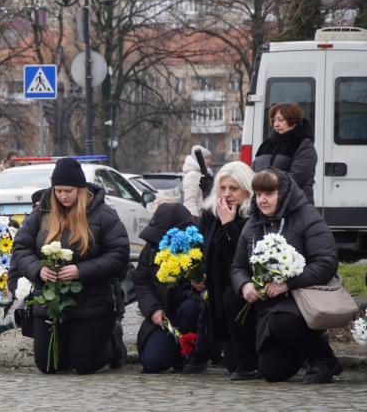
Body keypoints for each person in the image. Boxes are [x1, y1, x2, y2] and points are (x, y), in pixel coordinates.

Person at [10, 158, 130, 374]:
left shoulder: (103, 214)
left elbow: (119, 253)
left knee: (83, 365)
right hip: (50, 302)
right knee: (48, 365)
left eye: (68, 191)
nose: (63, 196)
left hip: (91, 302)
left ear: (80, 189)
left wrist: (80, 271)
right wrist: (38, 270)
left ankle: (113, 340)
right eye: (58, 191)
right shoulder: (42, 212)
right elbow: (21, 246)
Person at [230, 167, 341, 384]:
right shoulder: (253, 223)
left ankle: (323, 358)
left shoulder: (307, 216)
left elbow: (326, 262)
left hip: (300, 298)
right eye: (258, 194)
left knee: (282, 321)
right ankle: (263, 358)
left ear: (283, 194)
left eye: (269, 194)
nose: (262, 200)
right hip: (267, 304)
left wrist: (287, 284)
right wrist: (244, 285)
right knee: (273, 372)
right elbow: (237, 266)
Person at [188, 161, 257, 379]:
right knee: (230, 364)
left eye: (233, 188)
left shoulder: (253, 216)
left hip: (243, 293)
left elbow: (241, 259)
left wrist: (229, 225)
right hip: (215, 290)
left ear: (247, 190)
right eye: (223, 188)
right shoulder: (211, 214)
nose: (227, 194)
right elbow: (202, 248)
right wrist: (197, 274)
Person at [134, 203, 203, 373]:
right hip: (164, 311)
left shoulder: (197, 243)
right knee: (153, 362)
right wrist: (153, 310)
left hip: (191, 310)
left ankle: (195, 352)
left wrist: (198, 283)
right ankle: (176, 353)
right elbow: (142, 282)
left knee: (190, 309)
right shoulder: (152, 247)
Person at [252, 102, 316, 202]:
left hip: (294, 204)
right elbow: (252, 173)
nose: (276, 124)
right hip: (264, 203)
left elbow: (297, 177)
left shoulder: (303, 144)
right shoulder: (266, 144)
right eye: (274, 120)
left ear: (294, 121)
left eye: (281, 120)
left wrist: (266, 188)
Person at [182, 144, 212, 216]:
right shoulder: (193, 175)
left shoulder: (203, 174)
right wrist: (194, 219)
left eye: (209, 158)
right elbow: (190, 201)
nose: (209, 161)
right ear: (197, 159)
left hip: (204, 217)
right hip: (198, 217)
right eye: (206, 158)